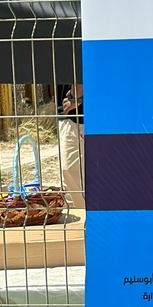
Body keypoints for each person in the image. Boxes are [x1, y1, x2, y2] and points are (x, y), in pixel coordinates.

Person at [57, 83, 85, 211]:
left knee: (73, 174)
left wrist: (76, 98)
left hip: (81, 116)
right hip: (69, 115)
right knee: (70, 178)